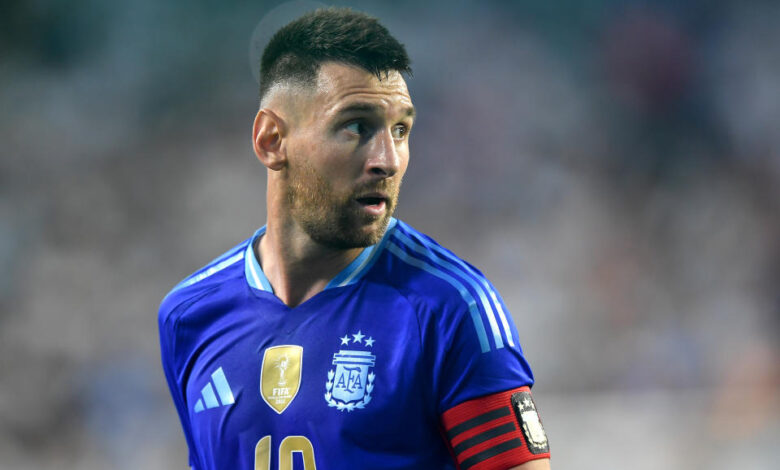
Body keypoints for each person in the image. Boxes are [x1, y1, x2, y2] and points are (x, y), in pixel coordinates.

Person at [159, 7, 550, 470]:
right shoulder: (190, 316)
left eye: (401, 130)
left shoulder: (449, 308)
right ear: (271, 140)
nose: (388, 159)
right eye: (357, 126)